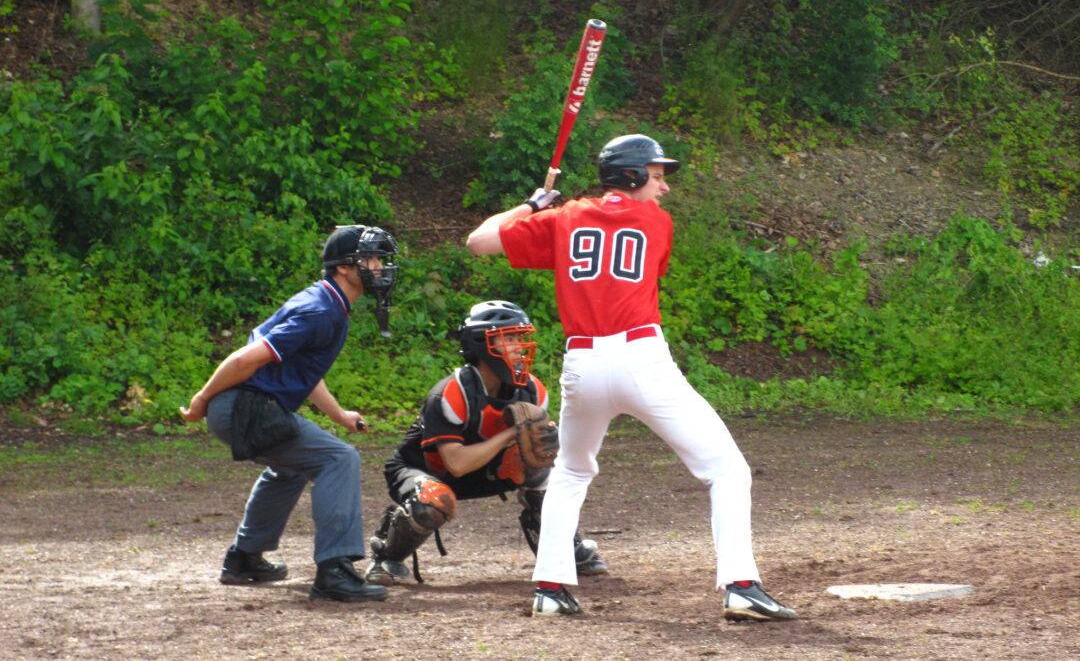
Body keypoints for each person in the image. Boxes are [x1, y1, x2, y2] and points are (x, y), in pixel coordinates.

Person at [465, 134, 797, 621]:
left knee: (572, 472)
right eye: (656, 176)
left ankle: (550, 589)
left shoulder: (564, 218)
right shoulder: (656, 223)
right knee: (727, 470)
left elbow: (478, 242)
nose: (663, 188)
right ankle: (741, 585)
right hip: (640, 358)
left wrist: (533, 206)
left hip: (582, 365)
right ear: (632, 175)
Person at [179, 224, 400, 603]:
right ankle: (334, 571)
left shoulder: (328, 304)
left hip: (248, 407)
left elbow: (303, 371)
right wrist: (202, 400)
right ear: (345, 268)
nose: (379, 266)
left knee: (292, 464)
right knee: (338, 459)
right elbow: (246, 359)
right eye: (371, 258)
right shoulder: (319, 310)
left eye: (380, 258)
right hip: (244, 408)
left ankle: (244, 558)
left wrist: (338, 414)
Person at [364, 300, 608, 586]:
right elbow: (455, 465)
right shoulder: (451, 393)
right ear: (480, 344)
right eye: (509, 338)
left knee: (547, 474)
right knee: (432, 499)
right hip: (427, 470)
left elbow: (544, 452)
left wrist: (548, 443)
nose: (519, 346)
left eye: (521, 337)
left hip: (487, 470)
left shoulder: (532, 390)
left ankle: (563, 547)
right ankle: (388, 556)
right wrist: (509, 434)